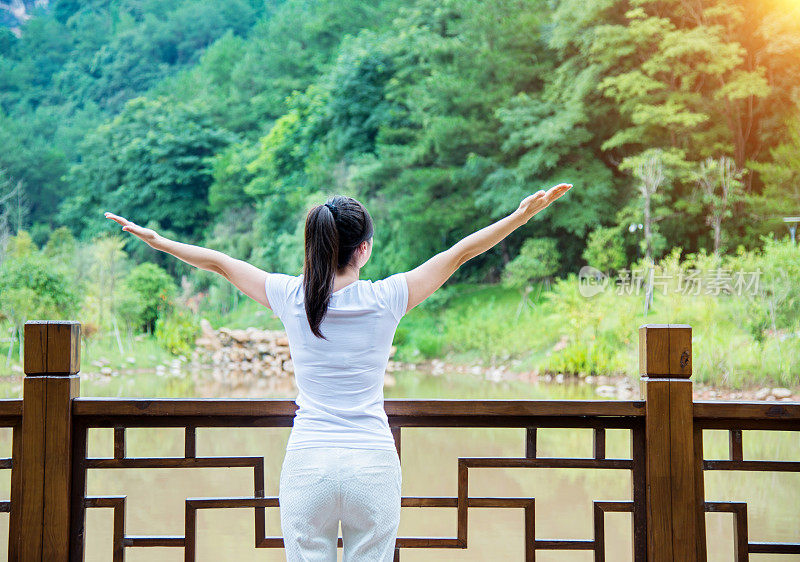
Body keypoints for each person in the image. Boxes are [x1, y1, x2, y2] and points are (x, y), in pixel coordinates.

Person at [103, 182, 572, 561]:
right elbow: (459, 254)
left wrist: (157, 241)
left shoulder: (292, 296)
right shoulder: (388, 297)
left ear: (316, 244)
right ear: (362, 249)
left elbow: (219, 264)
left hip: (308, 464)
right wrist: (519, 216)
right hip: (372, 463)